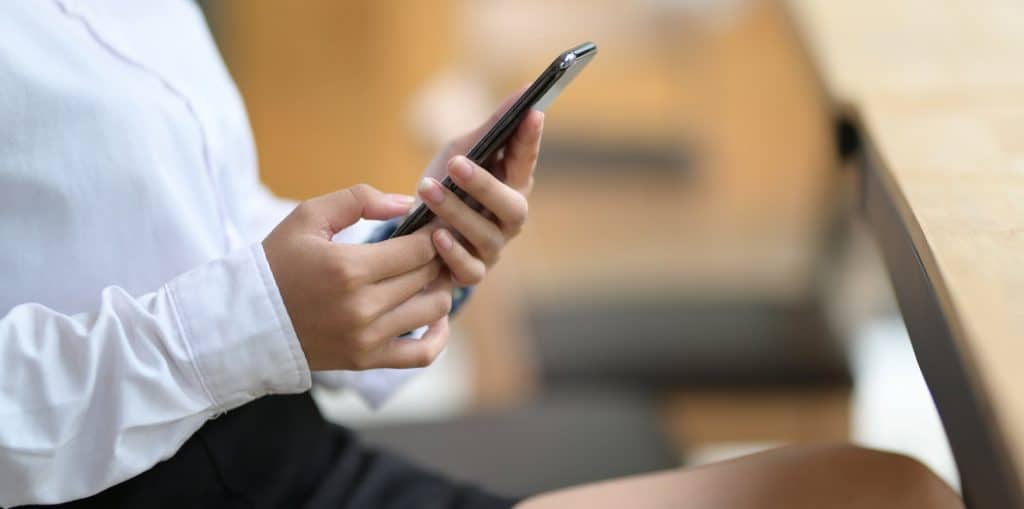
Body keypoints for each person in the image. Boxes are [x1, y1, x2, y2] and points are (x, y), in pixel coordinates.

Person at [0, 2, 964, 508]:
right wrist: (259, 322)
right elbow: (226, 317)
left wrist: (397, 260)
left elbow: (186, 232)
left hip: (294, 458)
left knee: (891, 492)